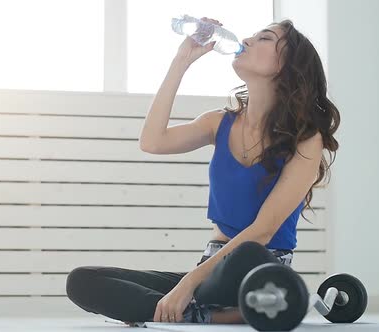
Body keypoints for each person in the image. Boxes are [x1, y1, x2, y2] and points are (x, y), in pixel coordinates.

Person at [66, 17, 340, 325]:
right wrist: (180, 62)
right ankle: (214, 314)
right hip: (211, 269)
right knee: (82, 280)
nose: (247, 40)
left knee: (247, 254)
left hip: (259, 267)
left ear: (287, 65)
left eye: (264, 38)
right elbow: (152, 142)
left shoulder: (306, 138)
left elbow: (263, 230)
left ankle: (194, 308)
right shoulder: (218, 122)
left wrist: (187, 284)